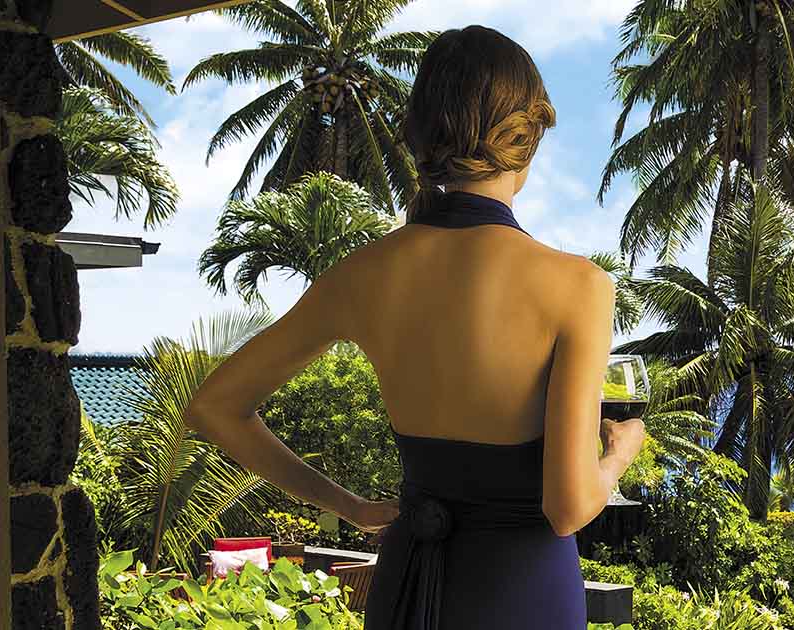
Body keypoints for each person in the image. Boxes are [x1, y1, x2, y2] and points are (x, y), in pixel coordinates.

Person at [184, 25, 646, 630]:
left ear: (421, 133)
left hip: (407, 585)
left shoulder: (365, 272)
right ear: (527, 136)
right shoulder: (579, 286)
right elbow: (566, 509)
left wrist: (346, 506)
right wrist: (618, 457)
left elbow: (215, 407)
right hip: (524, 594)